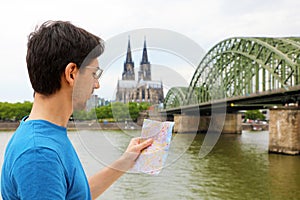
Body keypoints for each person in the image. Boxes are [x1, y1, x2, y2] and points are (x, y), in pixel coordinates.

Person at [1, 20, 153, 200]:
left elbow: (74, 194)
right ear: (72, 73)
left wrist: (126, 161)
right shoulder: (40, 155)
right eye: (94, 74)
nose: (97, 84)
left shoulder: (41, 135)